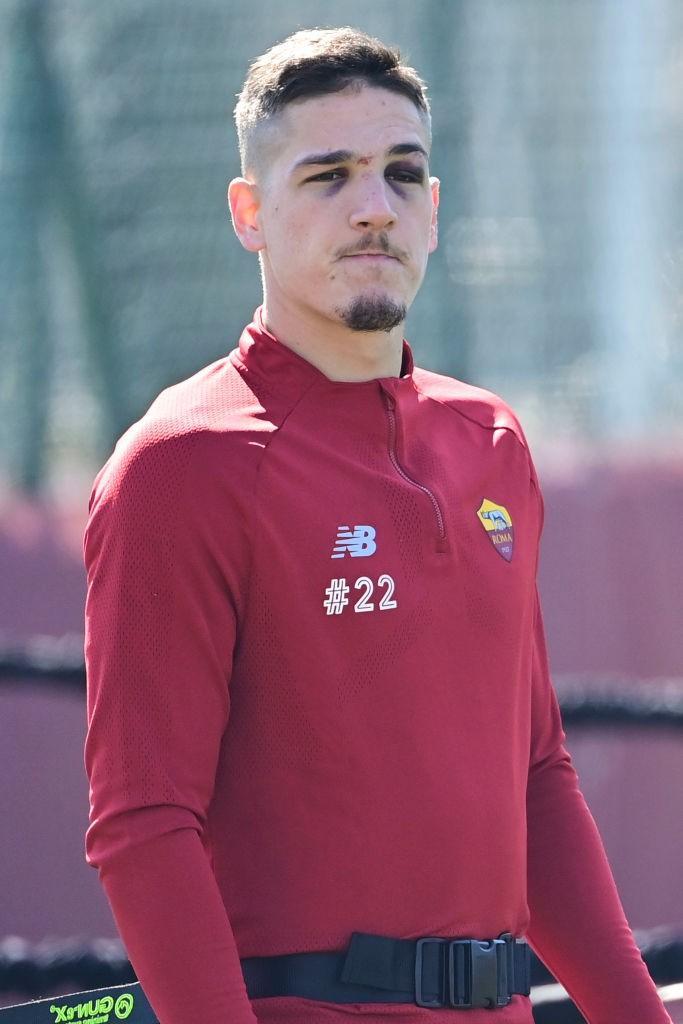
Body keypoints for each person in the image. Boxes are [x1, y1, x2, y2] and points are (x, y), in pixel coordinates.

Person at [83, 26, 672, 1024]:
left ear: (433, 212)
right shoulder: (182, 463)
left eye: (402, 173)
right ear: (248, 213)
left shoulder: (490, 439)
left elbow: (534, 778)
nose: (373, 206)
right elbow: (142, 823)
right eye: (327, 175)